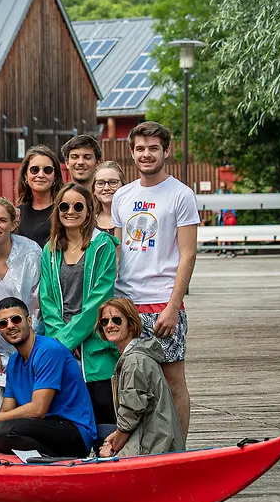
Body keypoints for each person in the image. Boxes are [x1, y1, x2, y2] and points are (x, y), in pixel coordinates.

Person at [111, 121, 199, 437]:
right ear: (132, 152)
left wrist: (174, 307)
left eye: (153, 149)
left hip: (162, 299)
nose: (146, 154)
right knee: (129, 380)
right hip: (126, 303)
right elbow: (118, 251)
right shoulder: (122, 195)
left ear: (166, 151)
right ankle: (137, 448)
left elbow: (188, 254)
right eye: (140, 149)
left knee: (173, 381)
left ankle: (177, 451)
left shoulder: (181, 194)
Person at [0, 298, 96, 458]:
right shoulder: (14, 361)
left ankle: (53, 465)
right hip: (40, 428)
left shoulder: (48, 350)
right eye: (3, 323)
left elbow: (38, 409)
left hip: (73, 431)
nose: (10, 326)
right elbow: (7, 409)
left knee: (3, 432)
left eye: (16, 319)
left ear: (29, 321)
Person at [39, 182, 119, 426]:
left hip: (94, 340)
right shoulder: (50, 249)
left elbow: (100, 299)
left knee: (103, 413)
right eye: (64, 206)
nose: (70, 211)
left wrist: (67, 341)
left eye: (77, 206)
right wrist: (60, 341)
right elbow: (47, 299)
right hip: (60, 342)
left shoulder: (103, 246)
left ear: (89, 211)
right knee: (68, 416)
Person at [0, 198, 42, 414]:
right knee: (2, 409)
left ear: (13, 223)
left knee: (33, 406)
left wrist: (30, 348)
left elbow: (38, 304)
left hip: (32, 342)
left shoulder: (31, 252)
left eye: (2, 220)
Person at [96, 298, 185, 458]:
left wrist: (113, 449)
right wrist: (115, 435)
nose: (110, 325)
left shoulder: (134, 362)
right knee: (101, 432)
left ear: (131, 324)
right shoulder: (135, 355)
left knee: (100, 447)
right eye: (104, 321)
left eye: (116, 320)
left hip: (152, 447)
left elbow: (130, 414)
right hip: (150, 437)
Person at [15, 145, 63, 247]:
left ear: (55, 176)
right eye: (34, 170)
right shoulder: (17, 214)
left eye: (48, 170)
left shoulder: (64, 209)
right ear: (25, 176)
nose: (41, 175)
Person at [93, 161, 125, 235]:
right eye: (100, 183)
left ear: (123, 186)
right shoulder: (88, 222)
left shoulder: (133, 218)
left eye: (113, 182)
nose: (106, 188)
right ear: (94, 190)